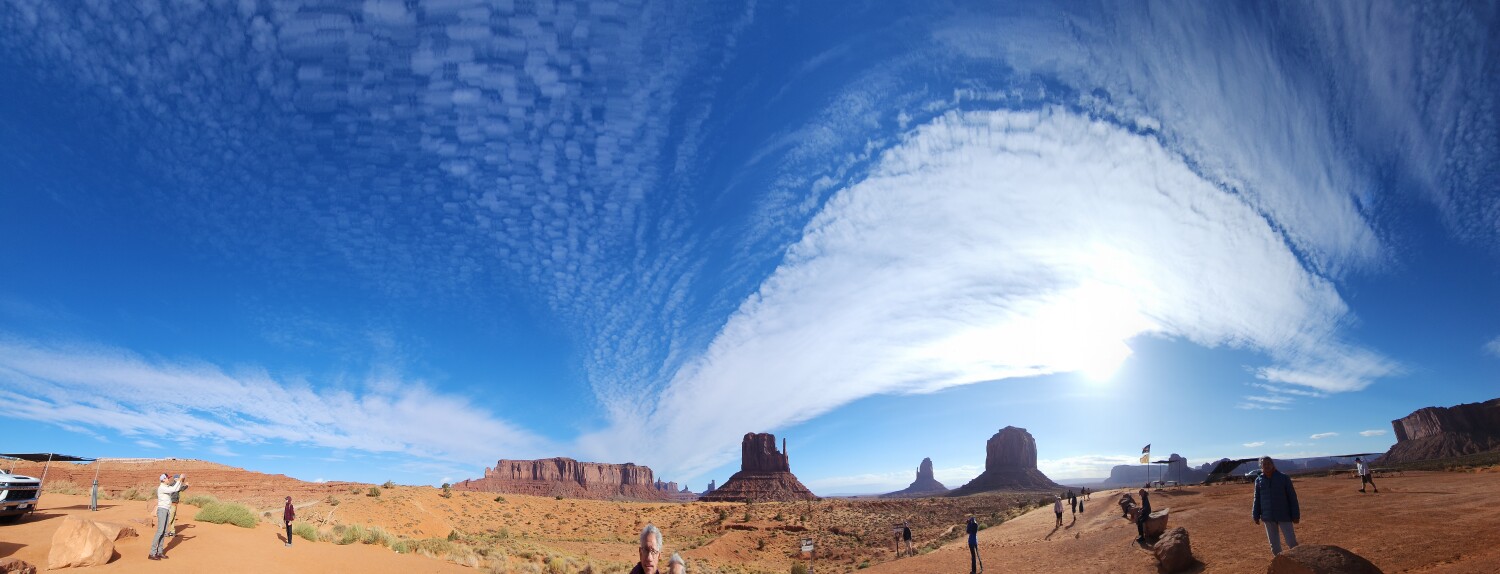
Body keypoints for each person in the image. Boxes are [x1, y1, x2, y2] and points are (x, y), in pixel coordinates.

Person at [1252, 456, 1300, 555]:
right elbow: (1257, 499)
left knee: (1291, 542)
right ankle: (1279, 563)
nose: (1267, 466)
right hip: (1268, 517)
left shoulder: (1284, 478)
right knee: (1274, 546)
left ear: (1273, 464)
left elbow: (1292, 497)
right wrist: (1255, 515)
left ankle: (1298, 562)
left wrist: (1296, 515)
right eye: (1264, 464)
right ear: (1261, 466)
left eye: (1268, 463)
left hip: (1284, 515)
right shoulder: (1258, 480)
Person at [148, 473, 186, 560]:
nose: (169, 479)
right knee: (160, 531)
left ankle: (160, 552)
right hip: (162, 510)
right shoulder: (162, 487)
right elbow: (173, 489)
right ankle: (152, 553)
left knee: (164, 531)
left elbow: (176, 489)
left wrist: (181, 480)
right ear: (163, 479)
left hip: (166, 510)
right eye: (167, 478)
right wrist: (179, 479)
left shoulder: (167, 487)